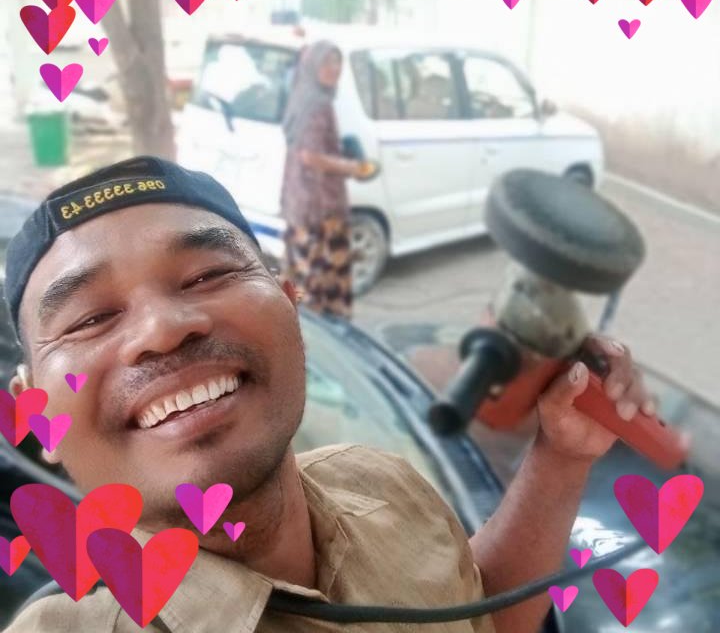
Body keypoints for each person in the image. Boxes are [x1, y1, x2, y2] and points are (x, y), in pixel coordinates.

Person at [2, 156, 662, 633]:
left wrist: (562, 454)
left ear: (291, 308)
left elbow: (476, 609)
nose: (163, 329)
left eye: (207, 274)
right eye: (91, 318)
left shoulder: (381, 481)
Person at [280, 40, 375, 320]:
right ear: (312, 66)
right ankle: (322, 335)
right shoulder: (318, 104)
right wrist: (352, 167)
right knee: (321, 281)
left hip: (300, 202)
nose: (335, 68)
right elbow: (310, 155)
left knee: (301, 277)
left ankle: (297, 329)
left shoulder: (301, 97)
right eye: (327, 62)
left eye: (338, 61)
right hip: (320, 208)